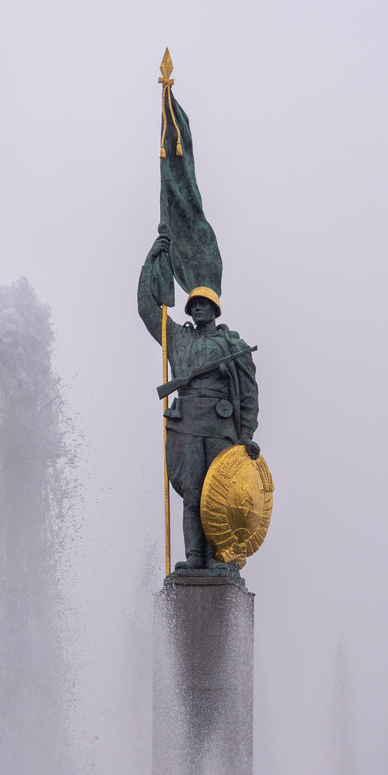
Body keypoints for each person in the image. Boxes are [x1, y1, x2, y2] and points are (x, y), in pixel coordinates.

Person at [138, 232, 260, 571]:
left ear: (215, 309)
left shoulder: (232, 344)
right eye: (194, 305)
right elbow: (148, 309)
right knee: (193, 494)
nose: (199, 308)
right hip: (187, 422)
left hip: (220, 425)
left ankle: (223, 558)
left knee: (221, 496)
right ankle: (194, 556)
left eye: (204, 304)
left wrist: (247, 433)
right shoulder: (177, 337)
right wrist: (152, 262)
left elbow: (248, 394)